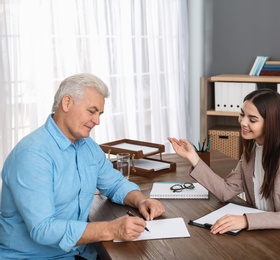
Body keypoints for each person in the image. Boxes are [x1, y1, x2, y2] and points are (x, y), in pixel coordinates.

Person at [0, 73, 165, 259]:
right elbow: (43, 229)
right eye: (92, 111)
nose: (97, 121)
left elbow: (115, 184)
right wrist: (111, 229)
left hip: (79, 252)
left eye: (100, 114)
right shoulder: (32, 155)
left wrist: (141, 200)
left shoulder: (88, 147)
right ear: (67, 103)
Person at [168, 88, 280, 251]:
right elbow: (226, 191)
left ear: (271, 122)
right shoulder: (252, 150)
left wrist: (246, 220)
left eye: (252, 119)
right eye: (242, 114)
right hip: (268, 235)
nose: (243, 122)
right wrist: (193, 157)